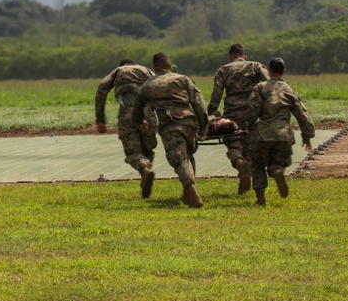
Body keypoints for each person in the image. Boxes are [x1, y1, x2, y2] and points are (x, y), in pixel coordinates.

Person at [131, 52, 209, 208]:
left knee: (180, 158)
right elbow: (199, 103)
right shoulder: (182, 79)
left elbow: (137, 111)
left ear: (155, 68)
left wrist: (140, 122)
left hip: (170, 125)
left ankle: (192, 191)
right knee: (187, 155)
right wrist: (203, 126)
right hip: (189, 122)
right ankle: (187, 194)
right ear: (169, 66)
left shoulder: (148, 85)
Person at [244, 57, 314, 206]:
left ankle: (261, 199)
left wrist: (248, 127)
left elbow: (252, 112)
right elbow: (302, 114)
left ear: (269, 72)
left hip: (262, 135)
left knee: (257, 165)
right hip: (283, 135)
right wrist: (307, 136)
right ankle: (277, 171)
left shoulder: (260, 87)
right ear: (284, 71)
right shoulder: (288, 90)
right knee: (277, 163)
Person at [207, 43, 269, 195]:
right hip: (253, 113)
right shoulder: (255, 66)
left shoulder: (224, 70)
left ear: (230, 57)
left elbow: (216, 96)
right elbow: (269, 84)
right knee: (250, 147)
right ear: (244, 56)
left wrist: (210, 113)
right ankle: (247, 181)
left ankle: (239, 164)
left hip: (232, 115)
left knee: (234, 146)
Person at [95, 59, 159, 198]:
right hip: (149, 116)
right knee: (147, 149)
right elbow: (160, 88)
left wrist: (100, 119)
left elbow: (102, 89)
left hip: (128, 115)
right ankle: (145, 174)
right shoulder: (147, 71)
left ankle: (144, 170)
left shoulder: (118, 71)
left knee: (133, 151)